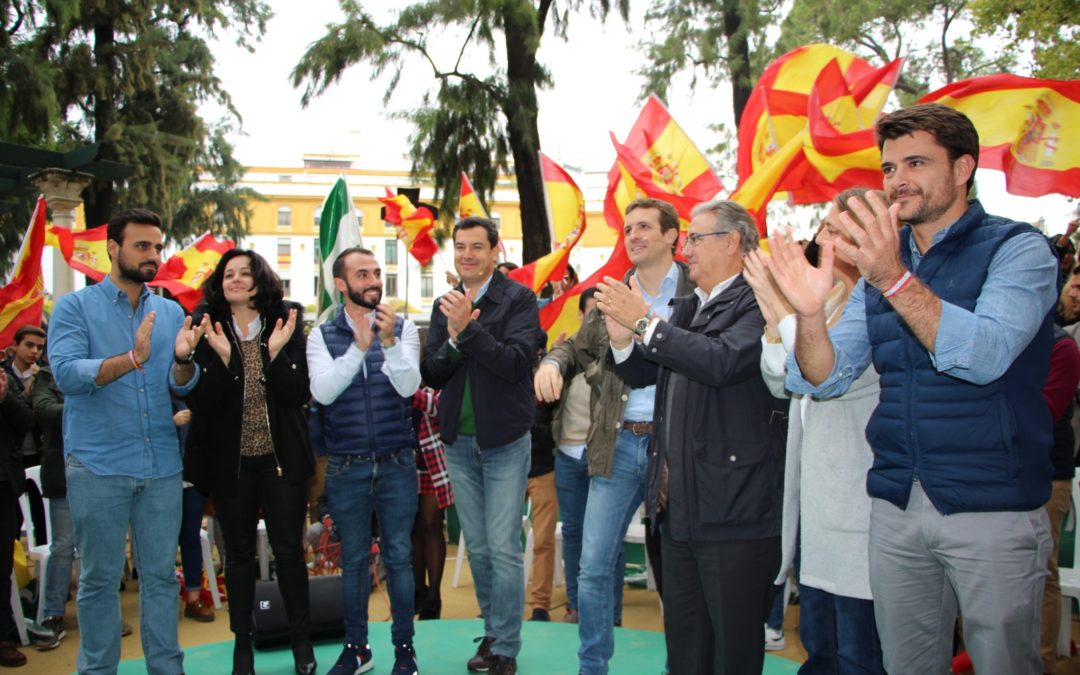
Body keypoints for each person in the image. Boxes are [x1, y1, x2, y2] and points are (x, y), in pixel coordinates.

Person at [763, 103, 1058, 675]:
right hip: (896, 504)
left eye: (916, 162)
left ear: (963, 167)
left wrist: (893, 277)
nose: (898, 180)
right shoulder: (885, 266)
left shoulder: (1018, 250)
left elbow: (984, 356)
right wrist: (808, 315)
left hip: (991, 503)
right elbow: (823, 377)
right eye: (889, 167)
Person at [601, 199, 786, 674]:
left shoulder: (759, 300)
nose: (686, 250)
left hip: (734, 509)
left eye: (695, 239)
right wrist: (624, 338)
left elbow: (722, 361)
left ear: (732, 242)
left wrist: (645, 323)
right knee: (685, 647)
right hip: (679, 506)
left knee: (732, 651)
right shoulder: (689, 306)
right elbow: (651, 369)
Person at [535, 198, 691, 675]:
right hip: (618, 445)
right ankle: (592, 667)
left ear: (672, 235)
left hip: (679, 448)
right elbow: (574, 348)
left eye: (645, 226)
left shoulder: (696, 292)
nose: (634, 234)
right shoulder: (608, 296)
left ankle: (681, 666)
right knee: (593, 567)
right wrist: (550, 363)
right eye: (628, 228)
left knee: (680, 574)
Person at [48, 208, 204, 675]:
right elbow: (66, 374)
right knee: (98, 581)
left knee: (160, 578)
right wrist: (132, 358)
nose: (153, 255)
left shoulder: (170, 310)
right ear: (113, 249)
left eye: (158, 247)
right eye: (142, 246)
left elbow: (182, 382)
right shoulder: (75, 308)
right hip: (98, 465)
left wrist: (181, 362)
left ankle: (166, 669)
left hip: (160, 464)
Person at [745, 188, 887, 674]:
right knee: (821, 649)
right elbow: (784, 380)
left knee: (858, 654)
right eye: (824, 227)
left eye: (836, 230)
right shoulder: (828, 300)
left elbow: (826, 379)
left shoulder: (875, 307)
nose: (823, 239)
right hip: (817, 510)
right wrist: (773, 316)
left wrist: (784, 312)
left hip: (860, 510)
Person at [182, 248, 315, 675]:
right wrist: (223, 359)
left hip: (281, 464)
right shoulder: (208, 325)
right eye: (227, 274)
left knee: (290, 552)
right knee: (237, 555)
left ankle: (301, 642)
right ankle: (243, 643)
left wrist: (272, 353)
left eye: (243, 273)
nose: (234, 280)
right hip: (230, 466)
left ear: (260, 279)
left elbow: (296, 394)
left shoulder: (287, 319)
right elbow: (203, 402)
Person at [422, 216, 539, 675]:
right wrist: (453, 338)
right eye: (460, 247)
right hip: (458, 443)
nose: (467, 255)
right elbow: (432, 372)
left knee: (504, 546)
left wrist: (467, 331)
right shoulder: (446, 304)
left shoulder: (519, 299)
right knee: (481, 549)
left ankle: (507, 646)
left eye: (476, 247)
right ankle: (492, 632)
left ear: (495, 250)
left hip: (505, 442)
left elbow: (514, 363)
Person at [308, 246, 422, 675]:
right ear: (341, 284)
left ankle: (404, 652)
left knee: (398, 557)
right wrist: (358, 349)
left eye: (376, 272)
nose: (373, 280)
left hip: (396, 462)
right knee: (354, 560)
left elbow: (409, 385)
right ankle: (357, 648)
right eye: (362, 274)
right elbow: (322, 392)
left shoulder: (404, 328)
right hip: (346, 465)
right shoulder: (320, 336)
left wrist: (388, 343)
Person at [1038, 326, 1080, 674]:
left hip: (1049, 475)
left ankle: (1042, 660)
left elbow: (1042, 413)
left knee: (1043, 572)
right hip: (997, 474)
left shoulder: (1062, 346)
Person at [411, 385, 453, 620]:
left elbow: (440, 406)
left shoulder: (436, 370)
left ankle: (433, 597)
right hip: (404, 462)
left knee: (430, 524)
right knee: (413, 528)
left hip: (434, 461)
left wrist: (406, 389)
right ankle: (418, 590)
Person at [0, 367, 30, 667]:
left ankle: (4, 637)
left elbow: (26, 423)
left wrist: (4, 397)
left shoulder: (5, 384)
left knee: (2, 565)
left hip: (3, 485)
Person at [3, 325, 45, 467]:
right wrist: (25, 394)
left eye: (39, 348)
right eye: (29, 345)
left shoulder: (47, 375)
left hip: (39, 450)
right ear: (15, 345)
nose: (34, 351)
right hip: (10, 453)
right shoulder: (3, 375)